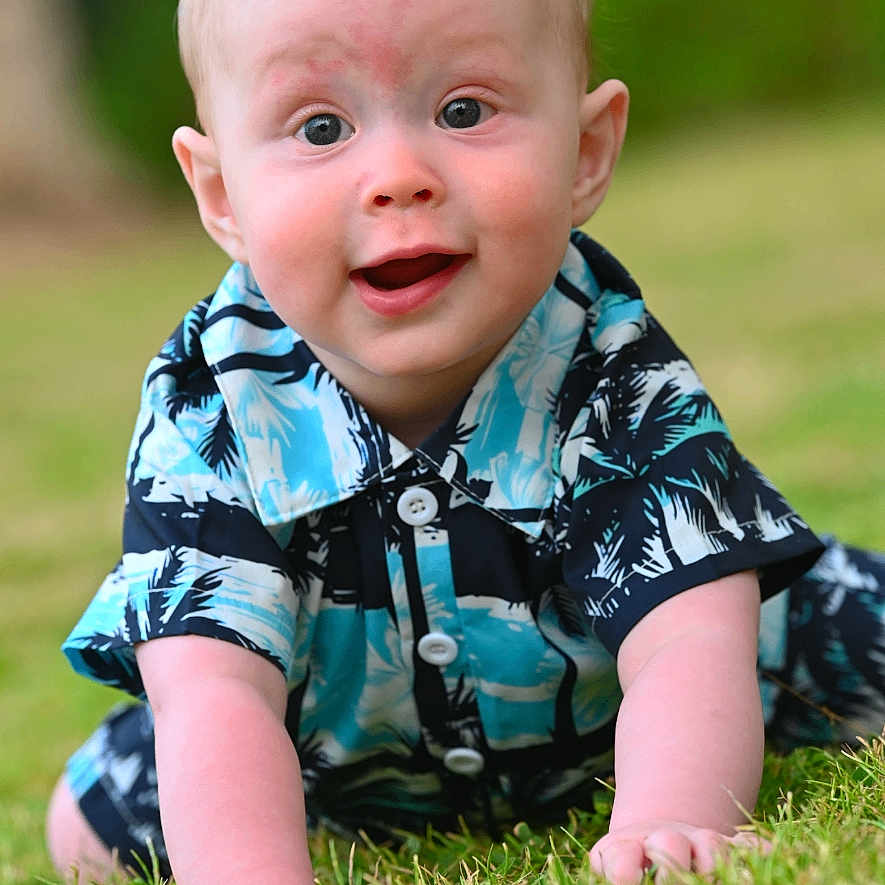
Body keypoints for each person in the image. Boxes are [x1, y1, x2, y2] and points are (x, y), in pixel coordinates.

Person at [46, 1, 885, 883]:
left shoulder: (605, 364)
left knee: (829, 627)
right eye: (321, 127)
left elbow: (685, 636)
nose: (398, 176)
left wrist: (671, 819)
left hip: (639, 708)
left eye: (463, 111)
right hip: (333, 745)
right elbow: (214, 687)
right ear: (221, 194)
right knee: (92, 825)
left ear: (585, 153)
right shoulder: (211, 406)